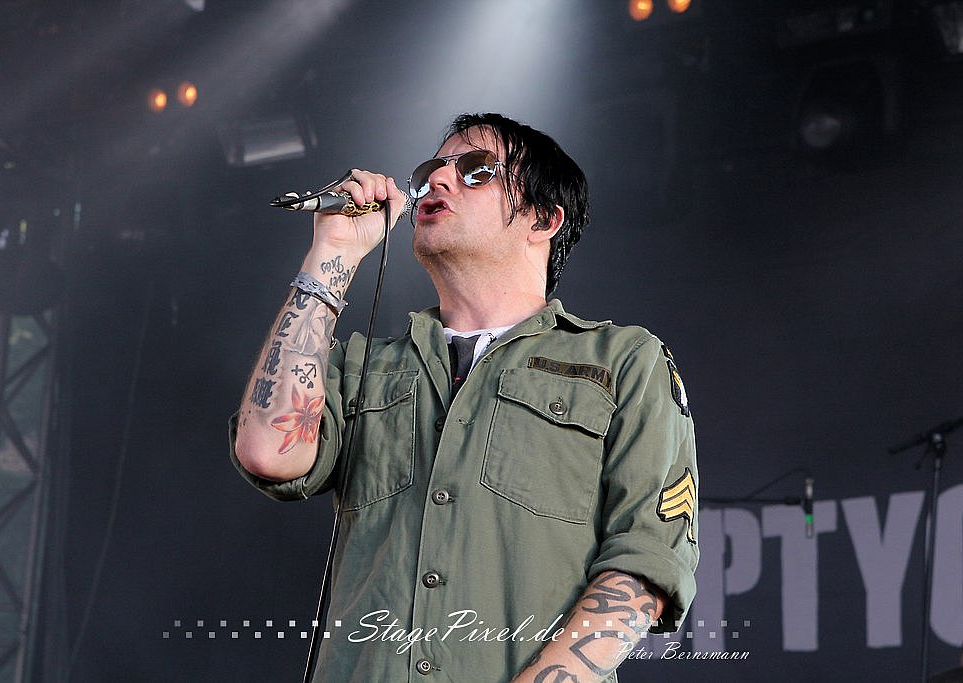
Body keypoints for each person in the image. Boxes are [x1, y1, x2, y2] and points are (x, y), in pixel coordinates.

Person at [230, 113, 699, 682]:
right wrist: (334, 252)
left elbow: (645, 564)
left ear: (544, 218)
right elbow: (267, 450)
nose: (438, 179)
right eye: (432, 169)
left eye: (477, 170)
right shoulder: (364, 365)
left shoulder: (622, 360)